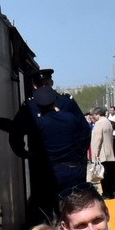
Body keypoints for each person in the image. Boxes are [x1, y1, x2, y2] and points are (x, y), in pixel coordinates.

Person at [18, 70, 91, 216]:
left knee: (48, 210)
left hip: (43, 168)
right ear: (51, 82)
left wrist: (26, 154)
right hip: (72, 167)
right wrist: (80, 157)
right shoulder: (67, 103)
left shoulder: (30, 106)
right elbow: (84, 133)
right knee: (75, 208)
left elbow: (15, 132)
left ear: (33, 85)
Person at [88, 106, 115, 199]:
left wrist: (95, 152)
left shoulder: (99, 123)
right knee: (111, 174)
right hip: (109, 152)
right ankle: (113, 192)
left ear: (97, 114)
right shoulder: (108, 122)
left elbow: (97, 139)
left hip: (102, 152)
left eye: (94, 115)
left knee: (103, 175)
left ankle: (106, 193)